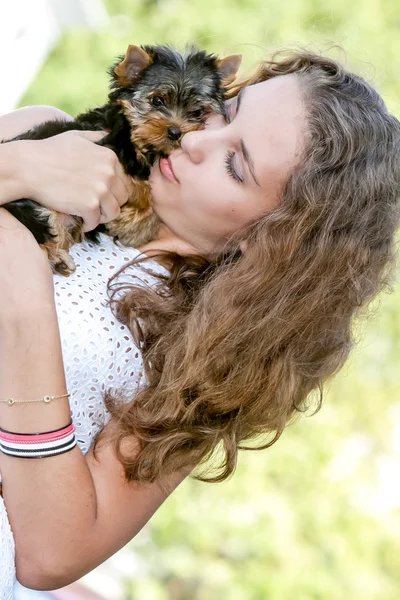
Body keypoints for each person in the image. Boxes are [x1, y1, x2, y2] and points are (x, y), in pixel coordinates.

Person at [0, 49, 399, 597]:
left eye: (236, 166)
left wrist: (24, 304)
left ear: (274, 238)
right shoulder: (47, 136)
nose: (192, 139)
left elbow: (53, 553)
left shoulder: (203, 360)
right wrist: (16, 169)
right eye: (226, 111)